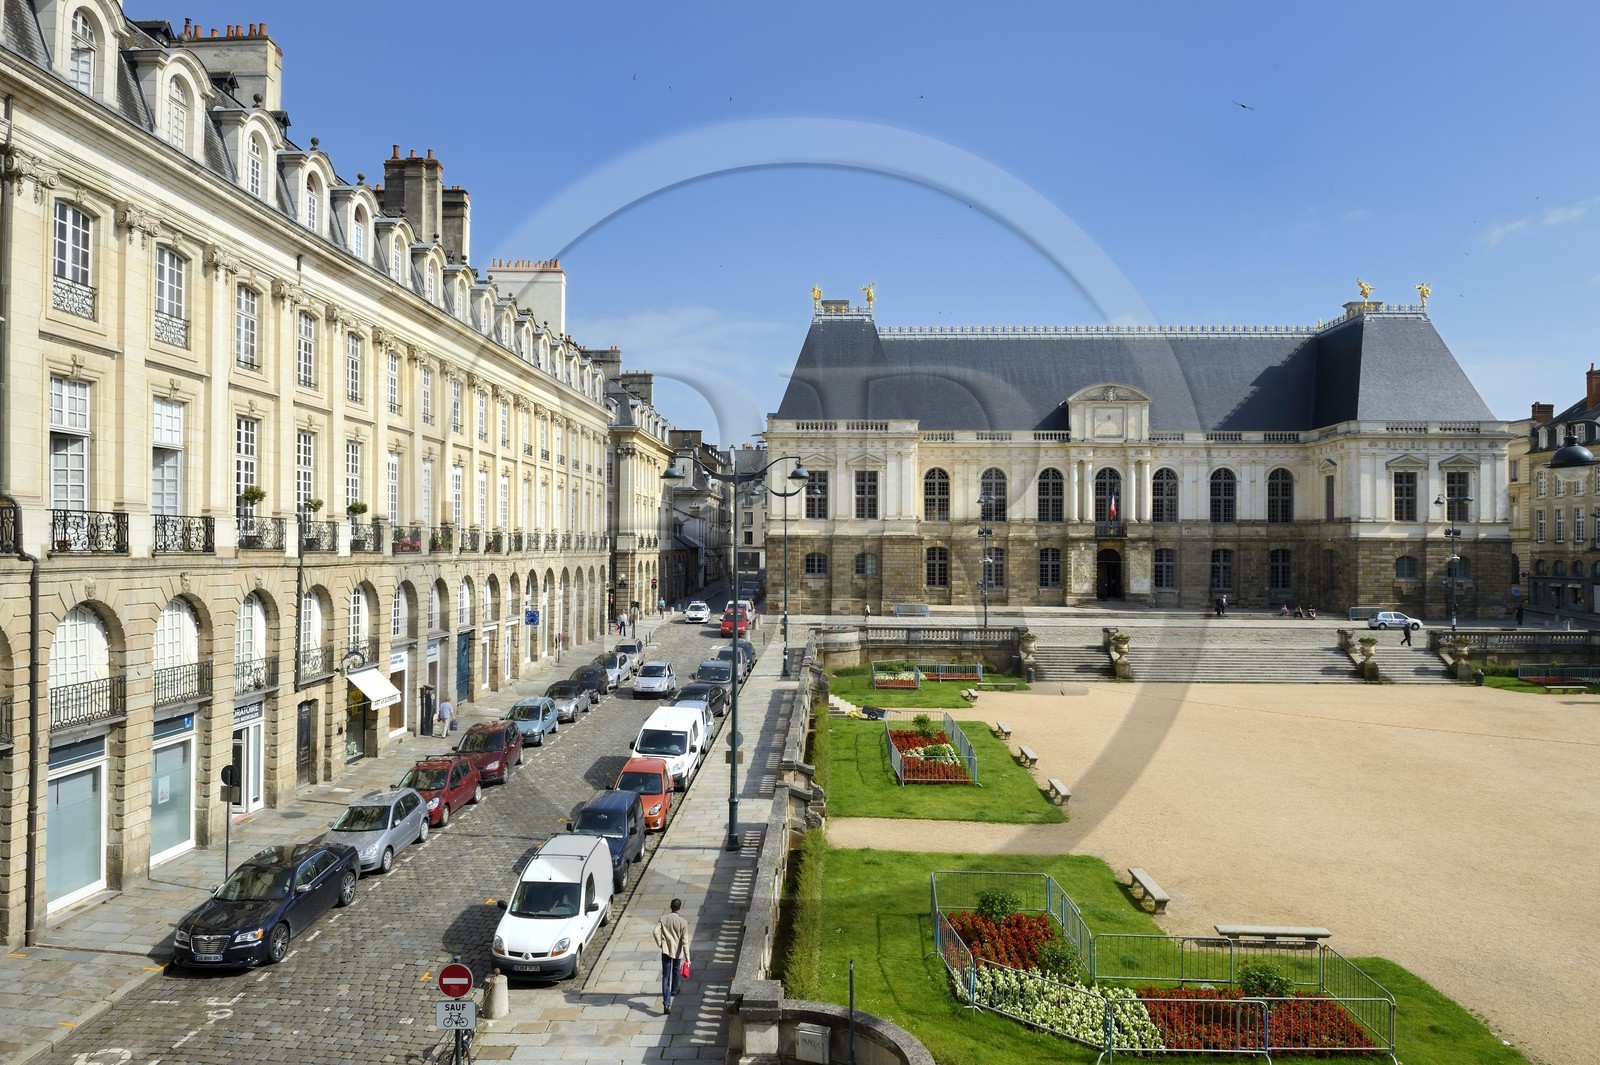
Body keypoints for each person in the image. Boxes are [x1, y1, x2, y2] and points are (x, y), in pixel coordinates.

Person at [652, 898, 691, 1014]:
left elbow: (655, 932)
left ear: (670, 906)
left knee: (665, 976)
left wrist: (660, 943)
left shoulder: (663, 919)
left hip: (666, 950)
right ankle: (674, 990)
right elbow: (685, 941)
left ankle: (666, 1002)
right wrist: (687, 958)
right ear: (679, 908)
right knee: (676, 970)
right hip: (677, 951)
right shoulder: (683, 922)